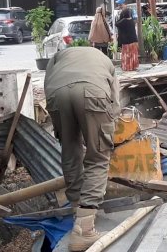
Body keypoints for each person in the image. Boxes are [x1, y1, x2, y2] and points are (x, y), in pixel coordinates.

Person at [45, 47, 120, 251]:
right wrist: (104, 132)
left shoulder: (59, 56)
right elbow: (115, 104)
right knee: (98, 156)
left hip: (56, 94)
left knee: (70, 151)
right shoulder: (105, 60)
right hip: (93, 90)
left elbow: (47, 82)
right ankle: (85, 229)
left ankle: (79, 208)